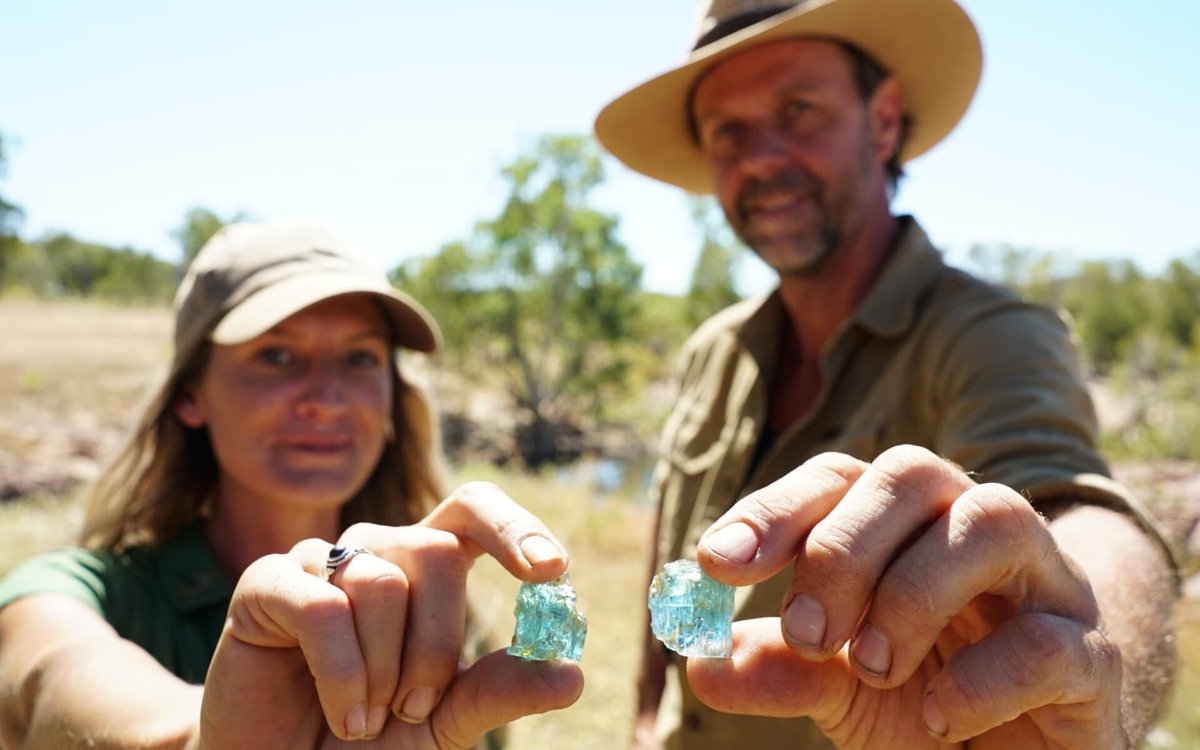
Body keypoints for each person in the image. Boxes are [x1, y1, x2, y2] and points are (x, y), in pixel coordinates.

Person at [594, 0, 1179, 747]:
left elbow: (1081, 512)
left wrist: (1078, 649)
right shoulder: (715, 348)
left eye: (798, 110)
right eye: (727, 130)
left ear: (883, 121)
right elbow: (670, 550)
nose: (760, 158)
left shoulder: (988, 336)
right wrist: (646, 713)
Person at [0, 219, 583, 748]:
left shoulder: (437, 614)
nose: (327, 400)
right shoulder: (74, 591)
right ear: (191, 395)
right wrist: (206, 741)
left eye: (360, 358)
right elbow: (53, 676)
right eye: (276, 356)